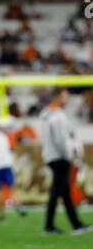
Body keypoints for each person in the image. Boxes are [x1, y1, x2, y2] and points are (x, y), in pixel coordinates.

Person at [40, 88, 92, 234]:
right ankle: (74, 224)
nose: (67, 100)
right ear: (57, 98)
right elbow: (61, 140)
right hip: (60, 157)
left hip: (52, 156)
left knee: (60, 192)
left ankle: (52, 225)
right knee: (62, 192)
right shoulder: (58, 117)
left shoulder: (46, 114)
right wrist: (70, 155)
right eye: (64, 97)